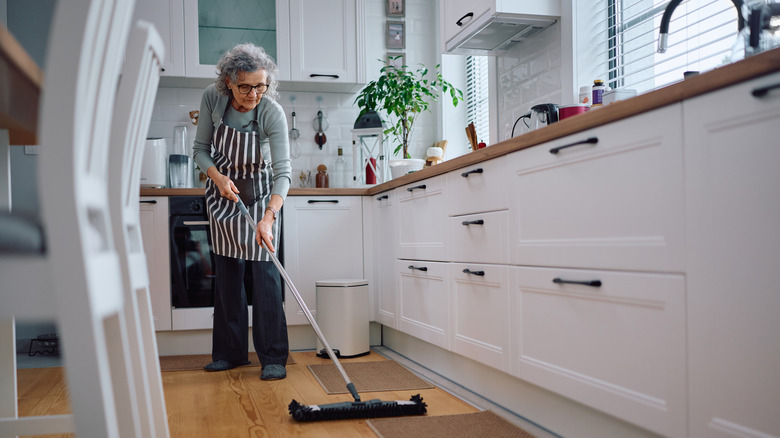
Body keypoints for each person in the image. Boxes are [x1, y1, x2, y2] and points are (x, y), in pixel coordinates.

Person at [192, 43, 291, 380]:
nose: (254, 94)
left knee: (266, 278)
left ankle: (274, 357)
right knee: (229, 277)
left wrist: (268, 216)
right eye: (246, 86)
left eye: (261, 85)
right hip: (224, 194)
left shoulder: (271, 112)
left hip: (263, 196)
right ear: (228, 82)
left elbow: (283, 173)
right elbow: (201, 151)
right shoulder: (212, 98)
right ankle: (230, 354)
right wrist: (217, 177)